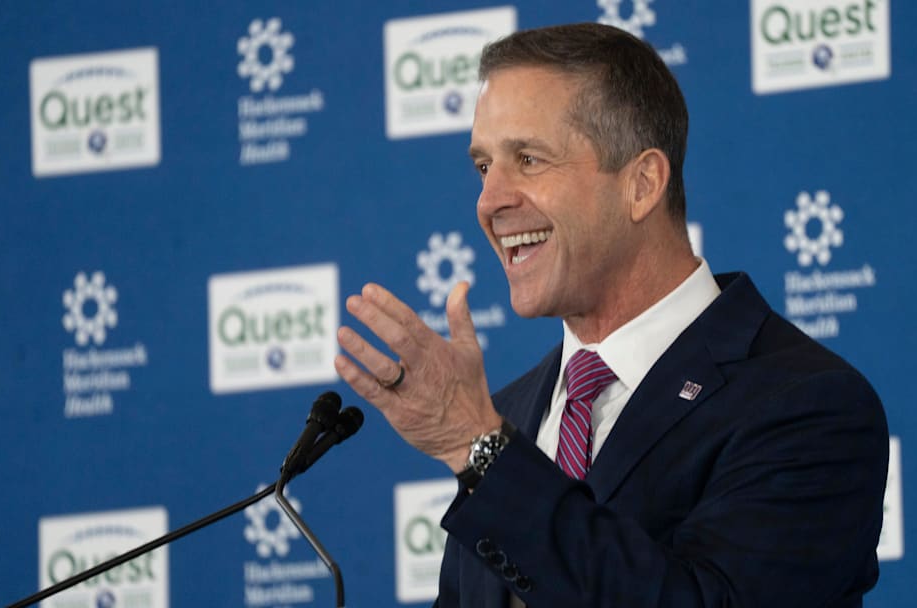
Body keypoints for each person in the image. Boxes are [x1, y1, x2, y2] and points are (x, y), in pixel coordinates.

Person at [334, 22, 888, 608]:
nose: (490, 200)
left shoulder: (805, 404)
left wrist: (481, 449)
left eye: (528, 158)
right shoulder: (513, 411)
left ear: (642, 184)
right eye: (482, 167)